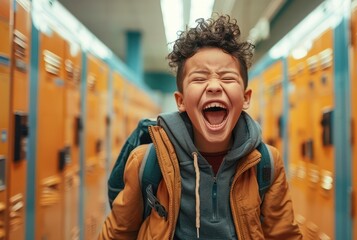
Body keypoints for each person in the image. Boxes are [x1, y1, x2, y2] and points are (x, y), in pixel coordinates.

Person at [99, 14, 303, 240]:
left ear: (245, 98)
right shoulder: (147, 161)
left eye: (227, 78)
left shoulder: (266, 163)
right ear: (181, 101)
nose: (214, 86)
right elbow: (118, 233)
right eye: (199, 78)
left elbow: (284, 235)